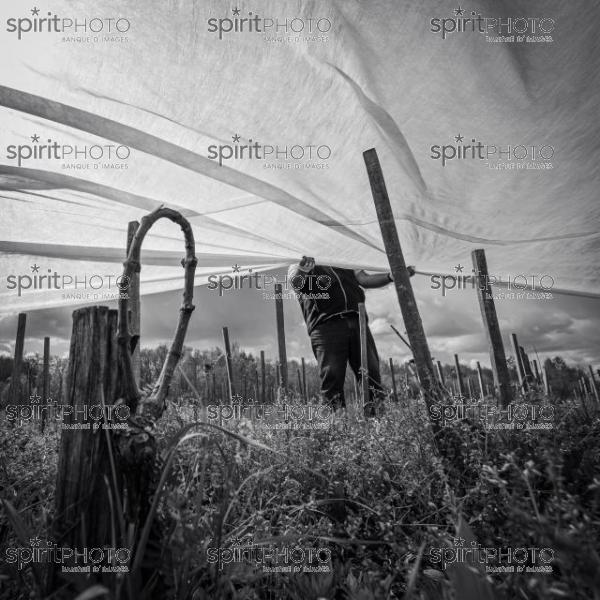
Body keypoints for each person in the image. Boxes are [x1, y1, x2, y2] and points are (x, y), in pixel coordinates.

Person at [288, 256, 415, 415]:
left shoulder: (343, 257)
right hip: (327, 325)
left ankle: (378, 426)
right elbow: (296, 283)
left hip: (357, 321)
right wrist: (303, 270)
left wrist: (390, 276)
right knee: (332, 379)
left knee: (371, 376)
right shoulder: (299, 260)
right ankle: (338, 430)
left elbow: (364, 279)